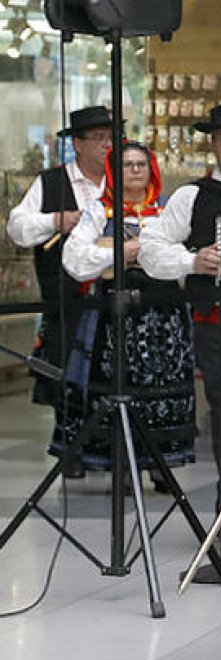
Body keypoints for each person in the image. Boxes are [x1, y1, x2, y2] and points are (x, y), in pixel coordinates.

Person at [140, 101, 221, 584]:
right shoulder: (193, 196)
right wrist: (194, 262)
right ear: (213, 146)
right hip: (219, 327)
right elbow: (151, 249)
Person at [61, 141, 196, 478]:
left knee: (161, 387)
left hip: (163, 315)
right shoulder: (99, 211)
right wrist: (122, 253)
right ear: (113, 172)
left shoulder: (167, 210)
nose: (135, 170)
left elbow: (186, 258)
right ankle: (119, 463)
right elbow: (74, 259)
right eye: (127, 165)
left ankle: (161, 465)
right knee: (116, 385)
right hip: (114, 315)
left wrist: (148, 254)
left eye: (141, 164)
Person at [6, 106, 111, 478]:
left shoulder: (122, 180)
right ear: (78, 145)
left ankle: (109, 450)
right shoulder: (51, 183)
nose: (106, 146)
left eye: (111, 138)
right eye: (98, 138)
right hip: (68, 297)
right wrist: (56, 220)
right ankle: (72, 452)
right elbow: (17, 227)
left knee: (111, 373)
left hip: (113, 297)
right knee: (67, 373)